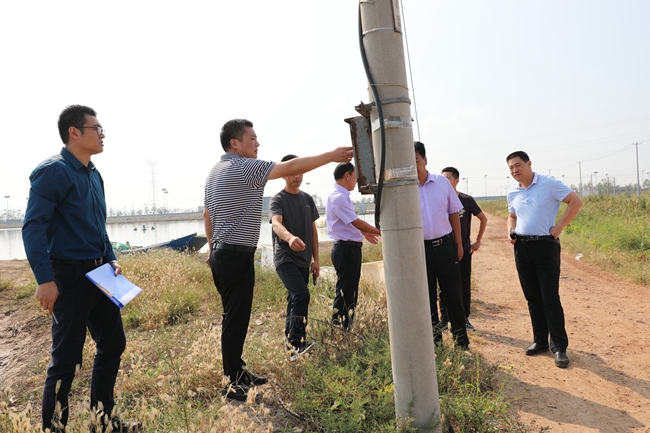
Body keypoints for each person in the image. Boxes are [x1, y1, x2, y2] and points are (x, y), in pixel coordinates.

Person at [203, 119, 352, 401]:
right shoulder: (243, 167)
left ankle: (237, 370)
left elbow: (207, 214)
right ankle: (232, 383)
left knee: (234, 316)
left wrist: (212, 249)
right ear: (235, 143)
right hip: (235, 254)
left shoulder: (215, 172)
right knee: (235, 318)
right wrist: (330, 156)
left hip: (223, 253)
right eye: (252, 138)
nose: (257, 143)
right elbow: (289, 167)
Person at [22, 105, 140, 432]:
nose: (103, 135)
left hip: (100, 275)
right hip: (68, 277)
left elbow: (98, 225)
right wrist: (44, 280)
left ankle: (103, 423)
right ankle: (54, 429)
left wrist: (110, 256)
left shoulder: (93, 173)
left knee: (113, 344)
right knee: (66, 362)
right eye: (96, 128)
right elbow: (33, 227)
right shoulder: (53, 171)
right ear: (74, 132)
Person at [506, 151, 583, 368]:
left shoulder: (548, 183)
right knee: (532, 297)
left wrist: (559, 227)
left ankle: (559, 347)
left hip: (545, 246)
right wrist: (510, 231)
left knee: (549, 297)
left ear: (529, 163)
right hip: (522, 247)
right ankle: (540, 341)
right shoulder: (513, 192)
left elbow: (575, 201)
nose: (515, 170)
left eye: (518, 165)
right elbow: (512, 216)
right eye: (511, 168)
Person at [414, 142, 470, 350]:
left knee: (453, 296)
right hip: (420, 251)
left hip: (446, 246)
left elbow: (453, 212)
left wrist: (458, 243)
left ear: (425, 160)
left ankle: (461, 343)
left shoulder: (441, 183)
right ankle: (435, 345)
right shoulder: (404, 188)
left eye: (416, 160)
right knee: (427, 298)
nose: (413, 166)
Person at [270, 154, 319, 360]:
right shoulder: (278, 199)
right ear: (283, 174)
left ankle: (292, 344)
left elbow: (313, 230)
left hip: (304, 259)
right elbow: (276, 223)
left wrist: (316, 260)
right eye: (292, 172)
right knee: (301, 295)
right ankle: (296, 345)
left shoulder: (307, 199)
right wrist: (289, 238)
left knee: (294, 298)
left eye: (300, 172)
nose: (297, 176)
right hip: (285, 257)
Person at [326, 162, 381, 330]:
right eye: (355, 176)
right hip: (346, 249)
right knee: (345, 291)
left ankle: (345, 327)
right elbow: (355, 222)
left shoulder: (341, 196)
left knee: (350, 291)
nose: (357, 181)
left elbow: (349, 223)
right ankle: (339, 328)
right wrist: (382, 231)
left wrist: (365, 232)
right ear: (347, 175)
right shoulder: (338, 197)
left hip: (349, 248)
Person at [440, 167, 488, 331]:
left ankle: (464, 318)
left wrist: (478, 241)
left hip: (464, 250)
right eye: (442, 178)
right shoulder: (439, 199)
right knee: (444, 286)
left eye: (447, 178)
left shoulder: (466, 200)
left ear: (456, 180)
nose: (444, 181)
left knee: (463, 285)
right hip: (443, 250)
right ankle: (444, 319)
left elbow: (483, 219)